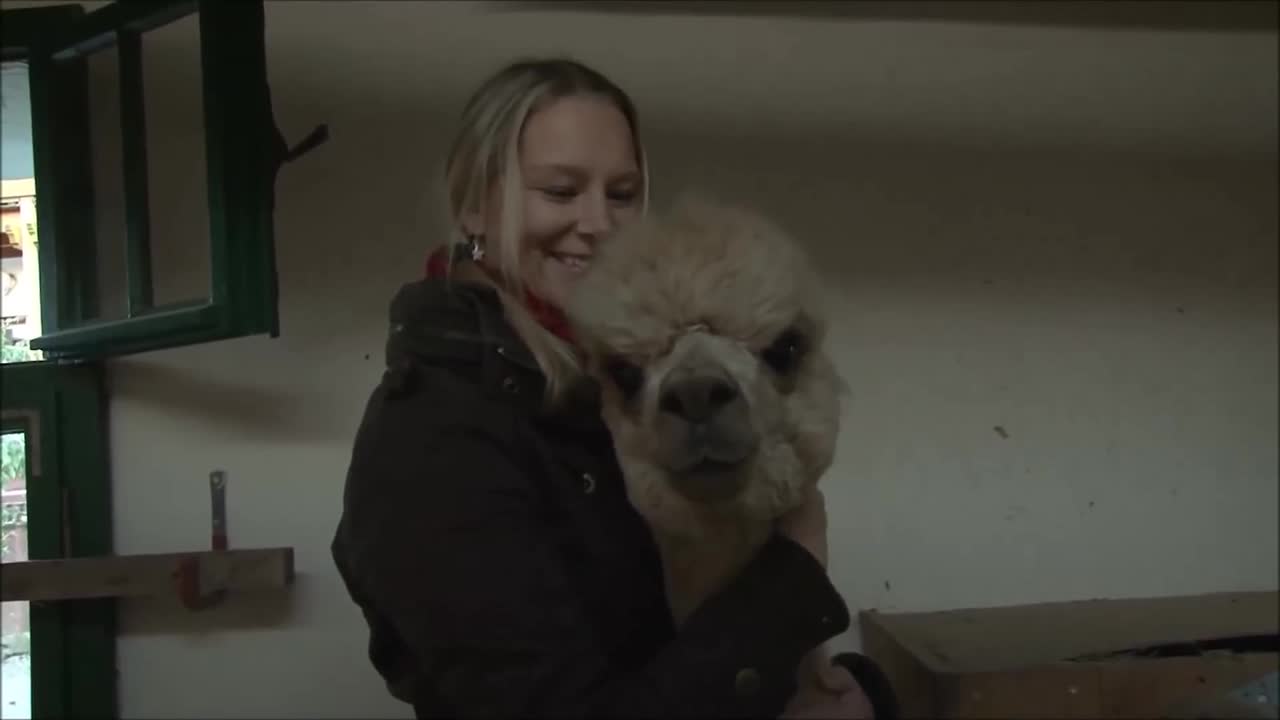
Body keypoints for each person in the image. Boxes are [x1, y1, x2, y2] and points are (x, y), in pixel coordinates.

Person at [331, 57, 886, 719]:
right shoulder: (434, 438)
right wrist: (792, 577)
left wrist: (836, 690)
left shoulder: (596, 384)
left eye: (621, 194)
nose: (597, 223)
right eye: (560, 192)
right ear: (472, 205)